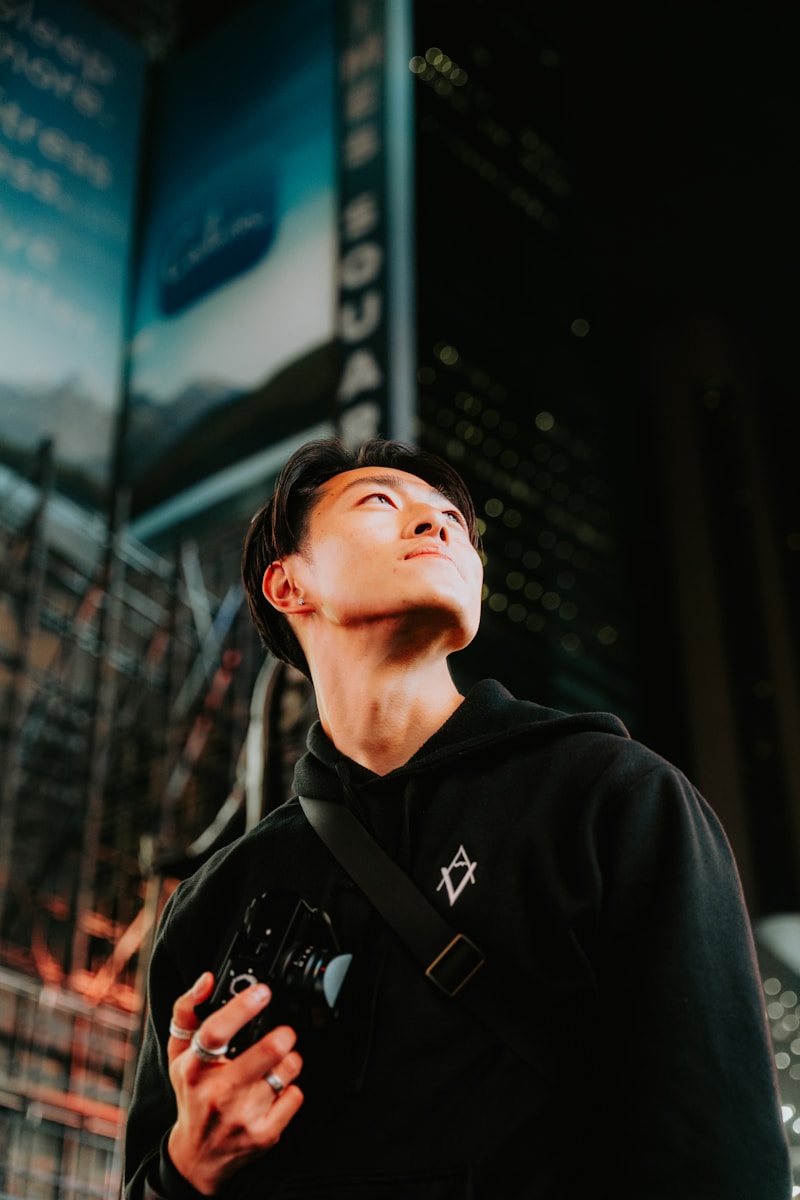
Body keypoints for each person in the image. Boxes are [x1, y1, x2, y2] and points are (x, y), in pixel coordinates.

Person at [123, 436, 792, 1199]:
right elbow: (143, 1184)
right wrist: (187, 1169)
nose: (436, 526)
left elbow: (721, 1162)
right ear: (287, 585)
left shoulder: (615, 797)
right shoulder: (214, 900)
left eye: (453, 522)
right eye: (381, 502)